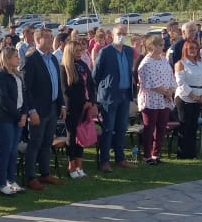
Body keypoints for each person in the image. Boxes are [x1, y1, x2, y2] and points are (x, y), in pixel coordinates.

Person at [21, 27, 65, 190]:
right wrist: (31, 111)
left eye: (51, 36)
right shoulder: (30, 59)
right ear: (38, 40)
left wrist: (62, 104)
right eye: (47, 37)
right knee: (35, 143)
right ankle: (31, 176)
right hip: (38, 110)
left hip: (52, 107)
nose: (51, 39)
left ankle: (45, 173)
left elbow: (57, 84)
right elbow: (26, 89)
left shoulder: (52, 59)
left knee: (47, 142)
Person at [92, 24, 137, 172]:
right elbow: (96, 75)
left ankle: (120, 158)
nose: (122, 35)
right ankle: (105, 161)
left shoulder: (129, 51)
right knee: (108, 129)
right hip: (109, 97)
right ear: (112, 34)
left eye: (124, 33)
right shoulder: (105, 52)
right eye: (119, 33)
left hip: (125, 94)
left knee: (121, 128)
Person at [0, 45, 29, 195]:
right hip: (6, 118)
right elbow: (3, 100)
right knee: (6, 151)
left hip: (19, 116)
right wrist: (18, 116)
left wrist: (25, 113)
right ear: (7, 58)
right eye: (15, 56)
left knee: (14, 151)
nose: (18, 59)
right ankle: (2, 183)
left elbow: (24, 95)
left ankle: (11, 180)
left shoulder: (17, 75)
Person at [136, 34, 175, 166]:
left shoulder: (163, 60)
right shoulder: (146, 63)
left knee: (161, 128)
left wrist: (170, 90)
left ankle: (156, 154)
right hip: (151, 100)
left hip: (165, 99)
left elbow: (171, 76)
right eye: (160, 45)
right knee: (149, 128)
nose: (162, 47)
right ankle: (147, 155)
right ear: (152, 46)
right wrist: (165, 92)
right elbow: (150, 82)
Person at [61, 39, 97, 178]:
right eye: (76, 51)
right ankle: (71, 166)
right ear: (69, 52)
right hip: (73, 107)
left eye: (80, 51)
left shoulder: (83, 65)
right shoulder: (64, 68)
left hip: (85, 106)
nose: (79, 54)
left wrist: (90, 101)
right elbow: (66, 90)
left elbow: (91, 84)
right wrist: (82, 101)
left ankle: (79, 165)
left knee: (81, 135)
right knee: (72, 136)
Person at [173, 38, 202, 159]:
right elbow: (181, 83)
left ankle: (192, 153)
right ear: (185, 49)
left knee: (193, 126)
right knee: (185, 126)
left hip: (199, 97)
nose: (193, 50)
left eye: (195, 48)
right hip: (185, 98)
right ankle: (182, 154)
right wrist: (193, 95)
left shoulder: (201, 63)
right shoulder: (181, 64)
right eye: (190, 48)